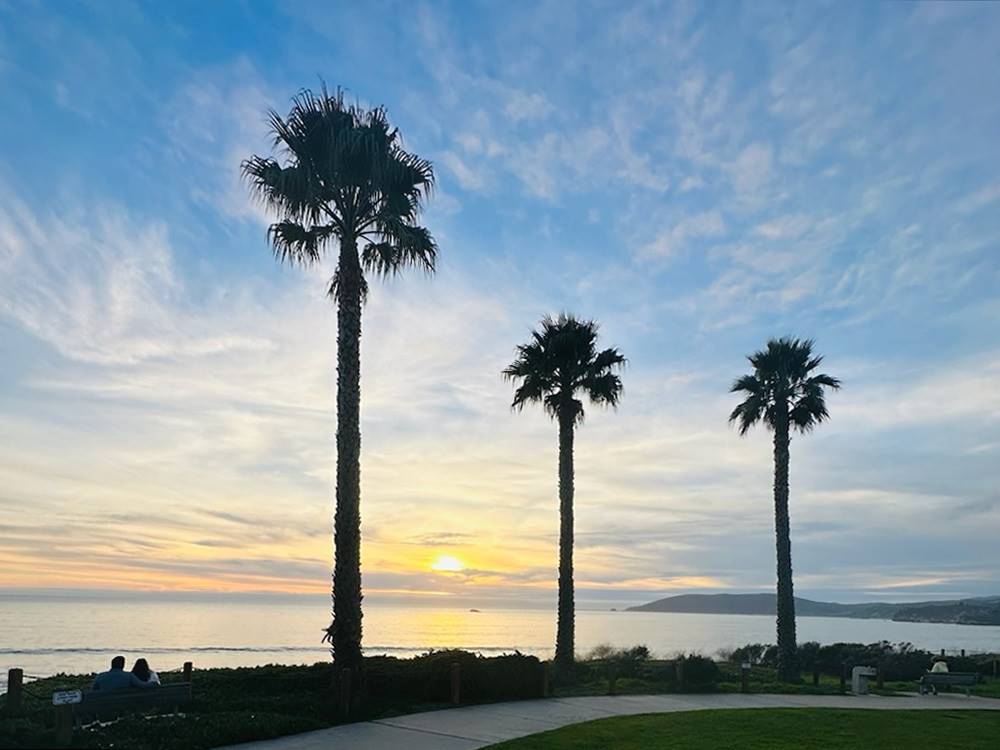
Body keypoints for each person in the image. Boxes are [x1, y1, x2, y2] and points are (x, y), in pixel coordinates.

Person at [91, 655, 157, 691]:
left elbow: (93, 690)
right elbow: (142, 685)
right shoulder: (129, 676)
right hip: (122, 702)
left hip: (103, 702)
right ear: (122, 665)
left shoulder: (100, 676)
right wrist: (154, 683)